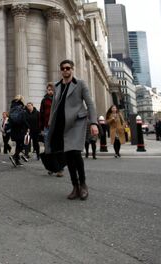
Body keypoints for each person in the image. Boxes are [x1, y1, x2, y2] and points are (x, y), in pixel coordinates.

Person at [45, 59, 98, 200]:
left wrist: (94, 123)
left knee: (75, 153)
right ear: (61, 70)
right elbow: (54, 107)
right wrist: (50, 123)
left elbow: (90, 103)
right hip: (62, 124)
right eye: (63, 68)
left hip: (76, 122)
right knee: (67, 156)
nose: (65, 70)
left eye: (68, 68)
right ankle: (75, 186)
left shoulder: (79, 84)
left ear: (72, 69)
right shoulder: (57, 86)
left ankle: (83, 185)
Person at [8, 95, 29, 167]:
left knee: (18, 144)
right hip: (21, 129)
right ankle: (14, 156)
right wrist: (28, 126)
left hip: (14, 129)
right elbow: (23, 119)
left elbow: (10, 119)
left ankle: (17, 161)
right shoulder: (21, 107)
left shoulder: (12, 107)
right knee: (22, 145)